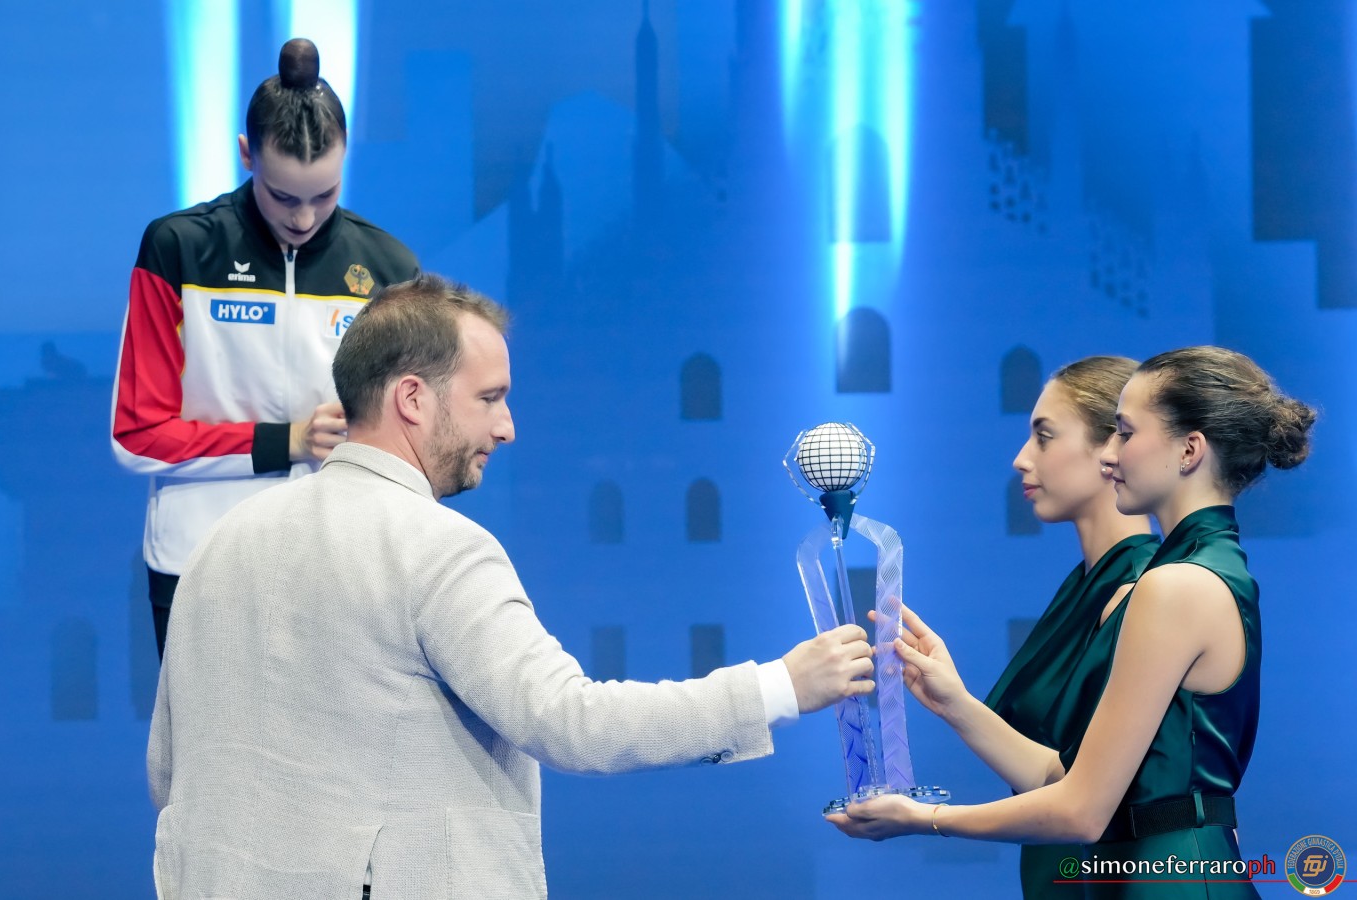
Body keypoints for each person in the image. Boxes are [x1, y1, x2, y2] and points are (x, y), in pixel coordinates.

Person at [148, 274, 876, 899]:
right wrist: (777, 688)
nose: (507, 427)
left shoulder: (219, 544)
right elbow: (571, 723)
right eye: (490, 398)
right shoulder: (437, 546)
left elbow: (169, 769)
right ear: (412, 398)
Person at [830, 346, 1315, 899]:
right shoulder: (1201, 570)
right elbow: (1074, 777)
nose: (1109, 453)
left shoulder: (1174, 584)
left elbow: (1082, 810)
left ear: (1189, 450)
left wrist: (924, 817)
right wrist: (953, 703)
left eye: (1125, 433)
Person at [111, 38, 419, 658]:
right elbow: (137, 435)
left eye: (324, 195)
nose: (304, 218)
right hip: (199, 562)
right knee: (204, 730)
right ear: (246, 154)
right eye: (283, 196)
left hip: (342, 567)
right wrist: (287, 441)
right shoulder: (178, 249)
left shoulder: (388, 267)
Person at [878, 356, 1157, 897]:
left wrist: (924, 817)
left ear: (1112, 446)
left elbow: (1086, 797)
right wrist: (952, 701)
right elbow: (1057, 774)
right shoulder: (1085, 585)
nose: (1021, 459)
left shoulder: (1141, 589)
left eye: (1044, 437)